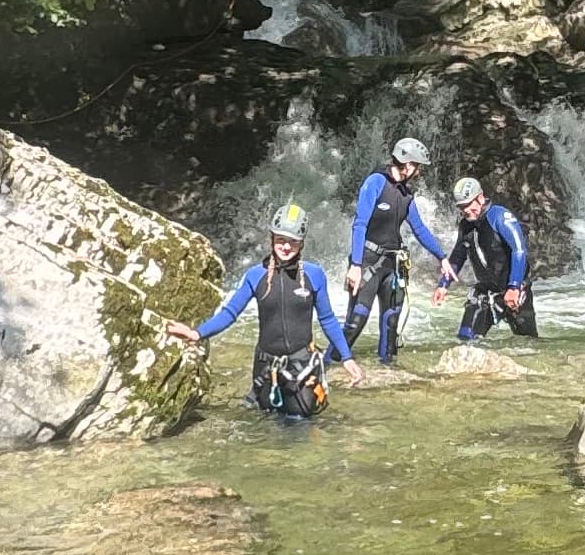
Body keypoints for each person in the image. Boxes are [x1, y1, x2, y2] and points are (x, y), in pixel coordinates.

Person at [166, 202, 361, 419]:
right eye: (281, 240)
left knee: (300, 426)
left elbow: (328, 319)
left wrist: (346, 357)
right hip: (266, 369)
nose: (286, 247)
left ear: (302, 243)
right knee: (265, 426)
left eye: (293, 242)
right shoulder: (255, 275)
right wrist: (196, 333)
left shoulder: (314, 275)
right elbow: (230, 313)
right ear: (271, 239)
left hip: (302, 367)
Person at [345, 131, 448, 366]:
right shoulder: (375, 183)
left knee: (391, 322)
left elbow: (419, 229)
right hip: (369, 262)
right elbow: (359, 223)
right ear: (408, 164)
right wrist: (356, 265)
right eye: (418, 167)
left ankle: (388, 369)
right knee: (356, 321)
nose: (419, 172)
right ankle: (330, 362)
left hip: (393, 265)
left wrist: (442, 257)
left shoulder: (406, 195)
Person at [445, 170, 536, 341]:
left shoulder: (499, 216)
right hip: (486, 291)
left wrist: (514, 287)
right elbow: (458, 255)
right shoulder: (466, 226)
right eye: (461, 207)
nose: (465, 210)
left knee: (528, 342)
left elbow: (519, 250)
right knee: (466, 340)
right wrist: (444, 284)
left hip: (513, 289)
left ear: (480, 198)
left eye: (468, 205)